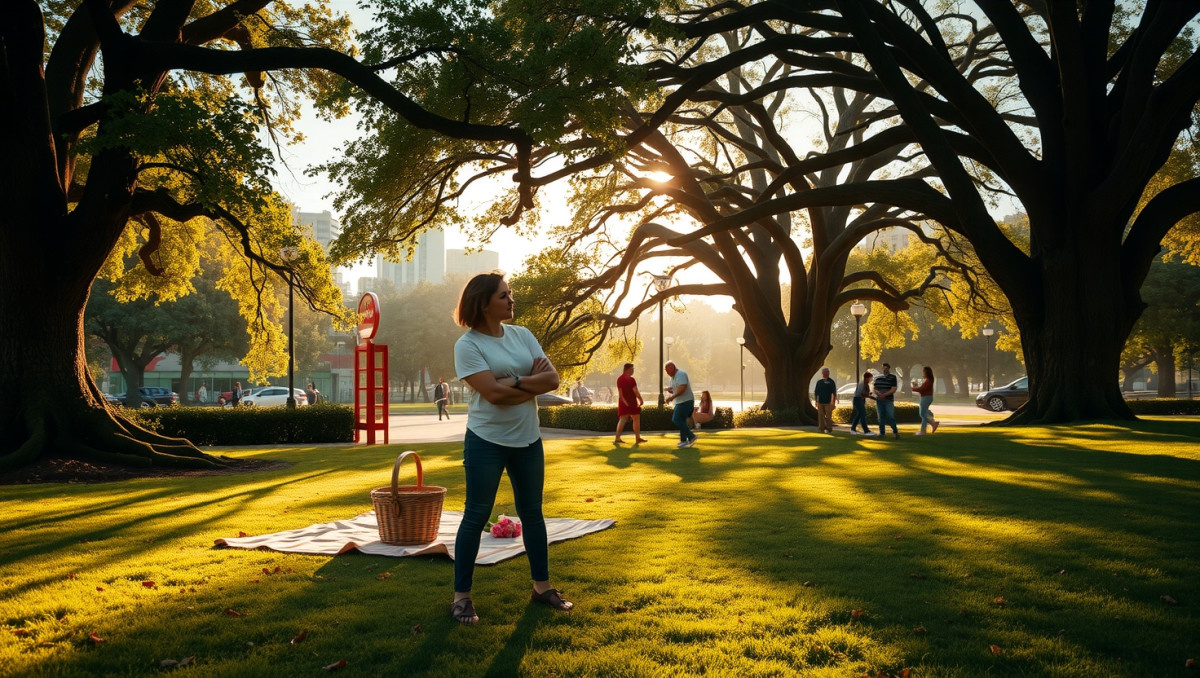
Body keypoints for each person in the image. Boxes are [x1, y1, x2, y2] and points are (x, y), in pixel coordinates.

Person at [450, 272, 571, 625]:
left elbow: (552, 379)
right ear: (483, 303)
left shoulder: (523, 335)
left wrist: (514, 381)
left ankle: (541, 588)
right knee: (476, 516)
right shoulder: (468, 345)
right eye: (503, 295)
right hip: (486, 440)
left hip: (528, 439)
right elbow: (492, 394)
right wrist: (527, 385)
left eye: (510, 293)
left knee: (532, 514)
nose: (511, 300)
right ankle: (461, 598)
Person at [663, 361, 697, 448]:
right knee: (681, 420)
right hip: (680, 401)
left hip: (686, 401)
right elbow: (675, 389)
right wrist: (669, 390)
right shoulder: (672, 377)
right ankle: (683, 441)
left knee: (676, 419)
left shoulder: (680, 374)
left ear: (672, 368)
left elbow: (682, 388)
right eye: (666, 371)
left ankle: (691, 436)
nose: (667, 373)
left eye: (667, 370)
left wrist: (672, 397)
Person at [613, 363, 647, 444]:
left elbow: (620, 393)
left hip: (623, 402)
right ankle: (637, 438)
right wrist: (640, 399)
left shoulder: (619, 379)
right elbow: (636, 391)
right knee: (636, 419)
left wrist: (623, 401)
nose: (633, 371)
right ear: (628, 369)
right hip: (632, 402)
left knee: (623, 419)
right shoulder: (631, 380)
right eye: (632, 369)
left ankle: (617, 437)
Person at [873, 363, 900, 438]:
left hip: (888, 400)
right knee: (881, 417)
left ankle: (895, 431)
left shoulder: (892, 377)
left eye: (886, 368)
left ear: (889, 369)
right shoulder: (878, 378)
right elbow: (875, 388)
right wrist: (878, 393)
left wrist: (885, 394)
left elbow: (893, 389)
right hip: (879, 400)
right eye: (883, 368)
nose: (885, 370)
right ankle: (882, 433)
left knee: (890, 416)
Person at [914, 366, 940, 435]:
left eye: (923, 372)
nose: (922, 373)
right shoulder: (928, 380)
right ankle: (928, 426)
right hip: (926, 397)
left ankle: (927, 427)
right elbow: (922, 389)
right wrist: (916, 387)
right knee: (924, 413)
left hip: (926, 398)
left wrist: (913, 388)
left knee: (922, 414)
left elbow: (921, 389)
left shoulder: (928, 381)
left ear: (926, 372)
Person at [813, 367, 838, 433]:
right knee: (821, 415)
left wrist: (833, 402)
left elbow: (834, 392)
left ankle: (829, 428)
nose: (826, 373)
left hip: (828, 402)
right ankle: (821, 428)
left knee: (828, 416)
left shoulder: (831, 382)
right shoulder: (819, 382)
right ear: (822, 373)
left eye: (827, 372)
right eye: (825, 372)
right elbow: (816, 392)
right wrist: (816, 401)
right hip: (820, 402)